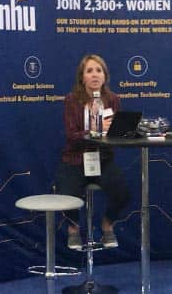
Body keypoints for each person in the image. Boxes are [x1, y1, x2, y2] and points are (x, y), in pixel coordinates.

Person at [56, 54, 130, 250]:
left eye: (99, 70)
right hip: (75, 159)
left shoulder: (113, 99)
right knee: (67, 194)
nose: (95, 75)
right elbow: (72, 135)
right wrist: (95, 129)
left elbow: (115, 136)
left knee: (123, 193)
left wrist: (118, 130)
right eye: (89, 71)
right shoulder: (71, 101)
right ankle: (73, 229)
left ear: (105, 76)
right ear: (82, 77)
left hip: (103, 159)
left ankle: (107, 225)